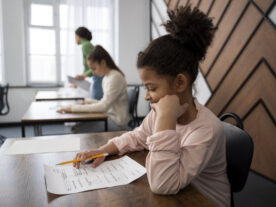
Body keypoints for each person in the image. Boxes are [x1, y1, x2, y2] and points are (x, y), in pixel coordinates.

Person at [72, 6, 230, 207]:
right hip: (178, 196)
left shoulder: (205, 129)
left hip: (204, 201)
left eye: (151, 88)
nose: (146, 96)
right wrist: (102, 150)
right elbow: (137, 136)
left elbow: (163, 184)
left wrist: (165, 119)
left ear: (180, 83)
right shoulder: (158, 114)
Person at [58, 45, 129, 131]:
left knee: (77, 129)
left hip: (117, 122)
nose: (92, 72)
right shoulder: (107, 77)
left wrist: (72, 108)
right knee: (78, 127)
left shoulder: (115, 77)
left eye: (94, 68)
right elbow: (105, 102)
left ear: (103, 63)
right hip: (110, 116)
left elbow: (103, 106)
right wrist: (88, 102)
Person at [74, 27, 103, 100]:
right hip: (96, 77)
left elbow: (95, 64)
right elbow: (87, 67)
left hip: (98, 77)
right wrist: (79, 80)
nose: (74, 39)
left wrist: (83, 76)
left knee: (95, 101)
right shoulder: (86, 45)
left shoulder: (86, 46)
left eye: (75, 36)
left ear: (79, 36)